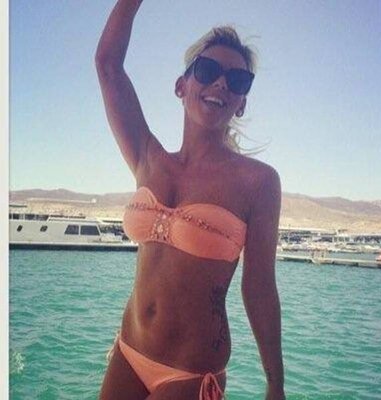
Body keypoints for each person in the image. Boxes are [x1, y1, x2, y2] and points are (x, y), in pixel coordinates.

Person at [95, 1, 285, 399]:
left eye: (237, 80)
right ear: (181, 86)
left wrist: (275, 384)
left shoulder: (258, 182)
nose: (221, 84)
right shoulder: (148, 159)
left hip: (191, 373)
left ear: (242, 102)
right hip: (128, 353)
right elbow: (108, 65)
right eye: (208, 71)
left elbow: (259, 287)